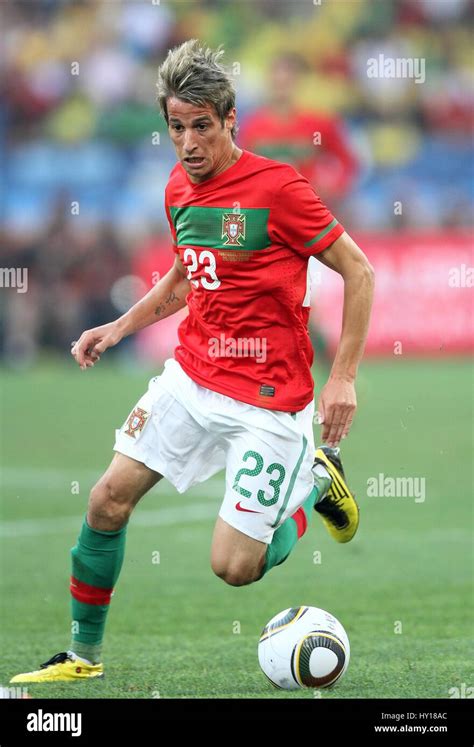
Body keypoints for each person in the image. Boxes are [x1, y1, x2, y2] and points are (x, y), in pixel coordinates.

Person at [10, 40, 374, 684]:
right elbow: (186, 279)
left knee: (234, 567)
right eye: (176, 128)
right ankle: (82, 657)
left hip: (268, 398)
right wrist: (120, 327)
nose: (188, 143)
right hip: (191, 377)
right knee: (106, 502)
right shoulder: (179, 188)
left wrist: (341, 375)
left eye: (201, 126)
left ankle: (317, 479)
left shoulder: (279, 189)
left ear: (230, 120)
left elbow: (358, 269)